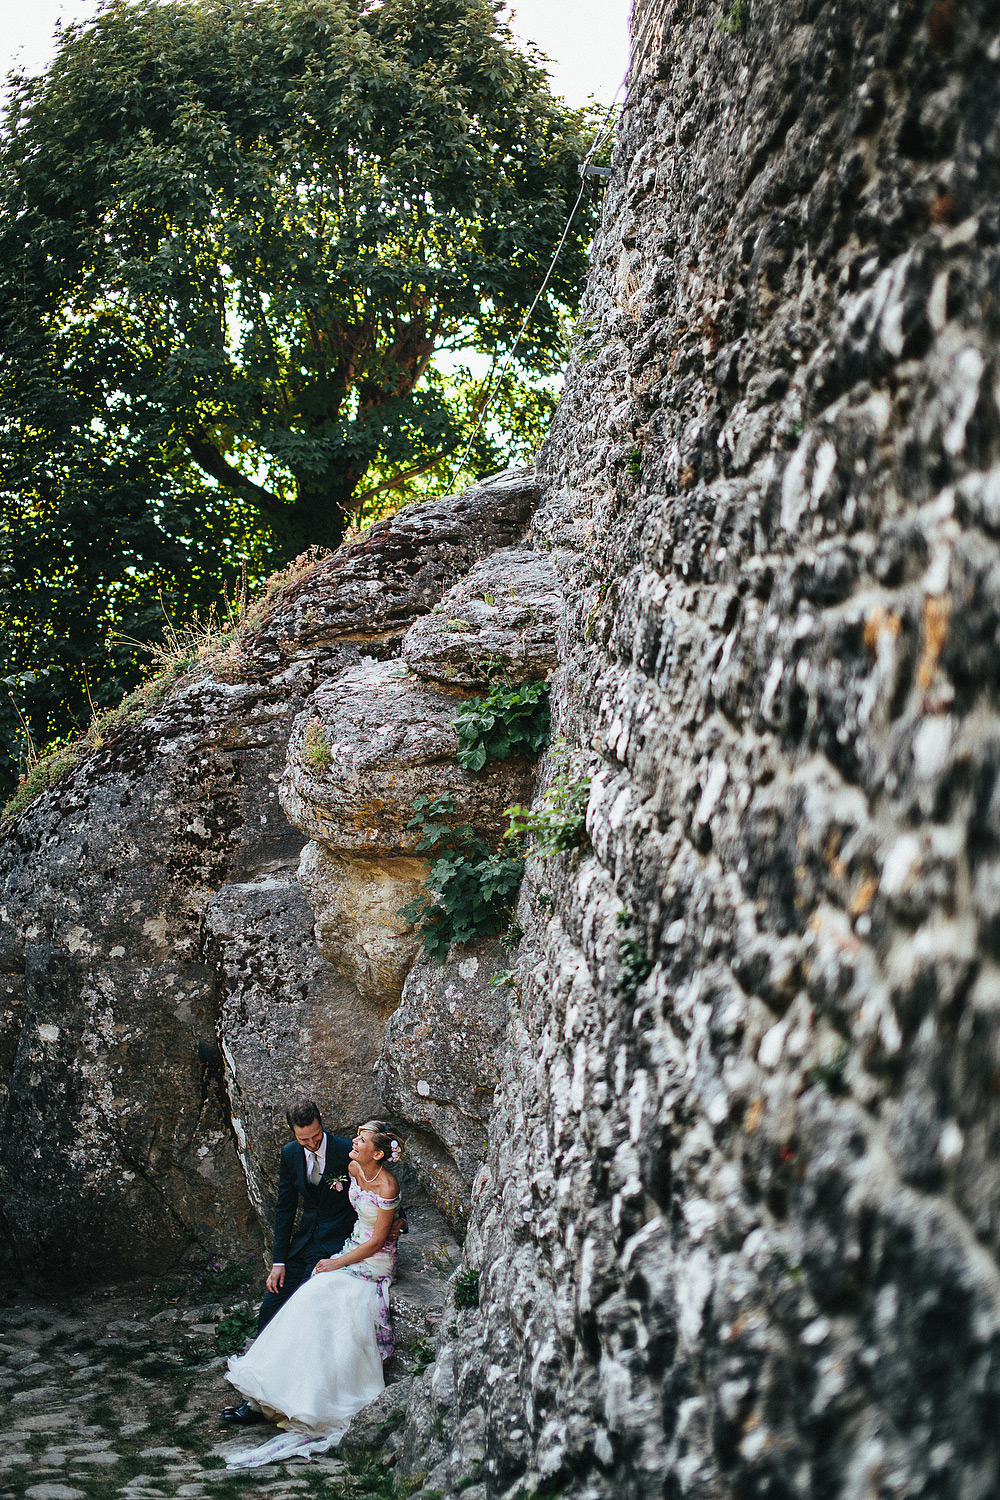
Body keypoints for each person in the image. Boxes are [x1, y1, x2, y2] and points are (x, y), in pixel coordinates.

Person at [221, 1120, 404, 1468]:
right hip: (345, 1246)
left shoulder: (387, 1184)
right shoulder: (351, 1166)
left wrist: (337, 1263)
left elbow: (379, 1239)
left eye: (362, 1139)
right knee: (307, 1297)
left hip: (373, 1262)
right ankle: (273, 1392)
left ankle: (321, 1398)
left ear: (378, 1153)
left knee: (331, 1294)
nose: (354, 1140)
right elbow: (298, 1204)